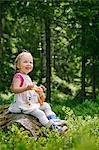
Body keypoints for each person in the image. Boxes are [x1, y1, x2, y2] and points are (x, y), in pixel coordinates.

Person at [9, 50, 67, 132]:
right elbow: (14, 89)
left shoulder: (27, 77)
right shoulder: (18, 76)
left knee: (46, 106)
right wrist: (26, 88)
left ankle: (55, 120)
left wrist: (39, 90)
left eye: (31, 62)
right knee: (40, 114)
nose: (29, 64)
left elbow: (31, 90)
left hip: (29, 103)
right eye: (25, 62)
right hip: (22, 105)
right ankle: (54, 129)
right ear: (18, 65)